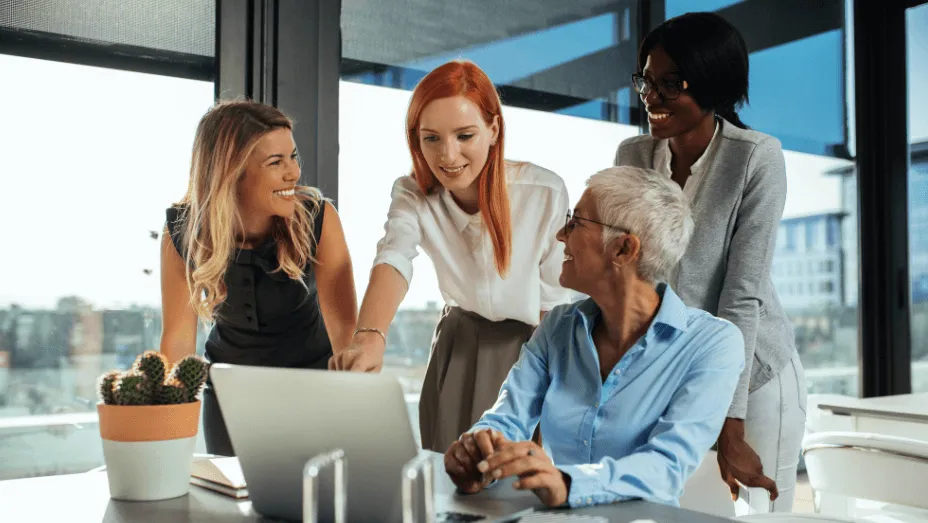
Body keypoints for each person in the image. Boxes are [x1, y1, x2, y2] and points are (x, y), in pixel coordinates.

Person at [443, 166, 745, 508]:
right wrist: (479, 451)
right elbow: (507, 417)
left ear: (623, 249)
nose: (560, 235)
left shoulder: (713, 344)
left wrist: (569, 484)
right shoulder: (557, 327)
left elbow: (667, 465)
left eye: (576, 222)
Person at [615, 12, 807, 511]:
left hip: (754, 383)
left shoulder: (756, 158)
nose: (650, 98)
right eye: (646, 82)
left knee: (762, 516)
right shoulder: (633, 156)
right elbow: (624, 279)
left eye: (670, 84)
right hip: (673, 376)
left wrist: (730, 425)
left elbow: (741, 296)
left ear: (713, 83)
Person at [328, 60, 571, 453]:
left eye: (464, 135)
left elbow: (553, 307)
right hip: (458, 344)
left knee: (517, 481)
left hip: (532, 346)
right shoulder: (411, 193)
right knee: (448, 472)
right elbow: (394, 256)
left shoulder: (543, 191)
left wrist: (551, 391)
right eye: (432, 139)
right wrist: (369, 337)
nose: (448, 155)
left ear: (493, 130)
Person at [159, 99, 358, 456]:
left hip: (314, 393)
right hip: (230, 399)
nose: (294, 173)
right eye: (276, 162)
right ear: (232, 172)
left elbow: (347, 337)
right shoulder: (182, 229)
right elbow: (177, 342)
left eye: (293, 157)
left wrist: (359, 424)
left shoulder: (319, 218)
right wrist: (168, 450)